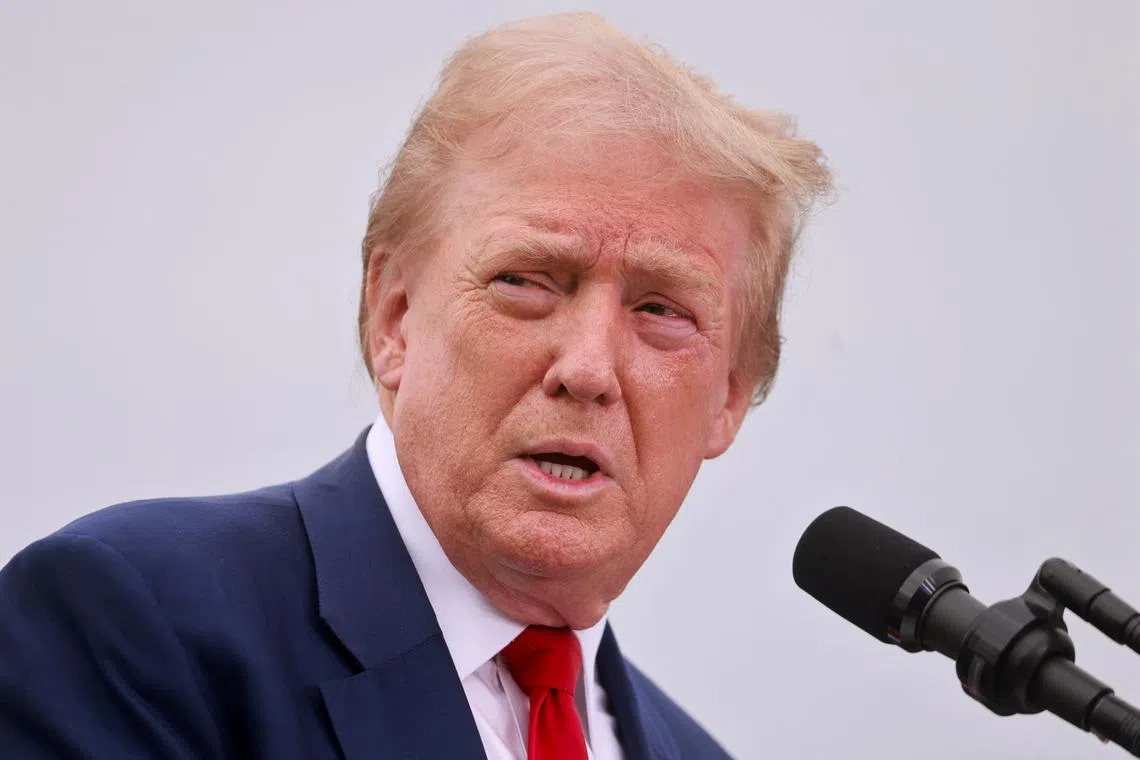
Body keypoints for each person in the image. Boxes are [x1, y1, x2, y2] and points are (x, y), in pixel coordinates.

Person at [0, 12, 831, 760]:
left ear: (729, 397)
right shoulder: (137, 623)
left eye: (660, 310)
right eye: (527, 280)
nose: (585, 369)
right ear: (393, 317)